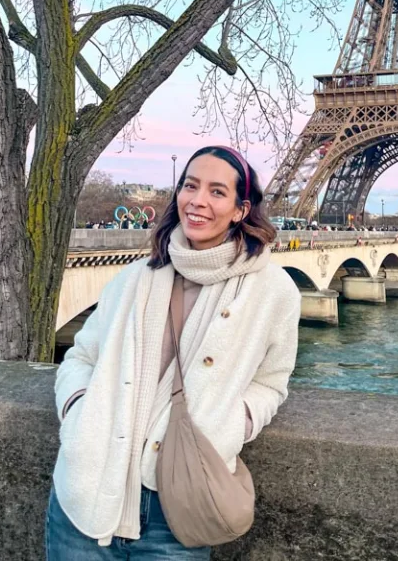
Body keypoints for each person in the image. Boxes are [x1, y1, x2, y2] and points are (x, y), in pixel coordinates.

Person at [47, 145, 300, 559]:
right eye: (190, 186)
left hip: (179, 507)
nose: (198, 201)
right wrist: (78, 413)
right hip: (88, 490)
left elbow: (271, 383)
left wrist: (230, 426)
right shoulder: (133, 278)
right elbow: (80, 357)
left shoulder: (273, 292)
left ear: (241, 209)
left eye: (217, 192)